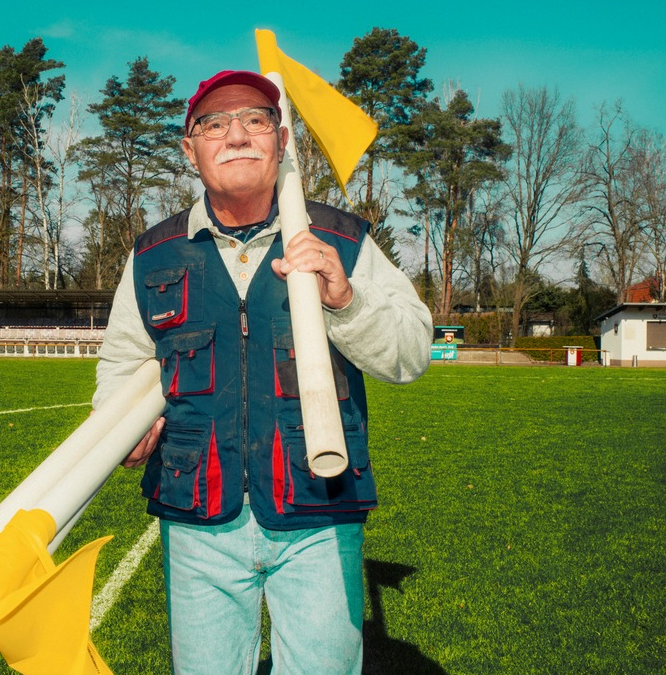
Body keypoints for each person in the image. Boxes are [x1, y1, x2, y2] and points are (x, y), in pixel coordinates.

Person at [93, 69, 433, 675]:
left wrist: (345, 301)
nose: (236, 135)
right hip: (198, 517)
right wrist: (121, 427)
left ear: (280, 139)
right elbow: (123, 362)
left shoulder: (342, 240)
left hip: (318, 516)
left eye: (254, 120)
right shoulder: (152, 254)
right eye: (214, 124)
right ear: (189, 148)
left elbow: (410, 353)